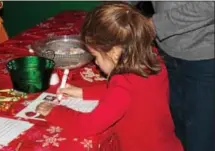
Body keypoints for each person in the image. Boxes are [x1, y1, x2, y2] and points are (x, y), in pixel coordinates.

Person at [36, 2, 183, 151]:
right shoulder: (153, 62)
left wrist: (54, 112)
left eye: (96, 56)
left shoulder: (123, 84)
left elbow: (90, 125)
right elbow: (131, 96)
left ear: (114, 52)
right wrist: (82, 92)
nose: (96, 63)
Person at [149, 2, 215, 151]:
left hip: (205, 59)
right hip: (166, 51)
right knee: (175, 134)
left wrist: (155, 24)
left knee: (201, 139)